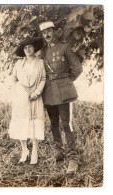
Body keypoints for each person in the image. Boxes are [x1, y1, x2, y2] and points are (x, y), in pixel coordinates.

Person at [39, 21, 83, 174]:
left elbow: (78, 68)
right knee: (53, 123)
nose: (47, 35)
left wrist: (67, 81)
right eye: (44, 33)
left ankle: (72, 158)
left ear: (55, 32)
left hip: (64, 92)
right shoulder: (43, 52)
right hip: (49, 92)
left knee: (67, 125)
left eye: (49, 31)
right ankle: (59, 151)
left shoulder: (64, 47)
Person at [9, 36, 46, 164]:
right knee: (21, 123)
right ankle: (24, 150)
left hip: (35, 96)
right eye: (25, 47)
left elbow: (43, 79)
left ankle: (35, 151)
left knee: (34, 122)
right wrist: (17, 92)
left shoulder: (40, 62)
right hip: (21, 98)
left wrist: (36, 92)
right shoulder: (19, 64)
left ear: (34, 47)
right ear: (23, 50)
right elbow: (14, 79)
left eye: (30, 46)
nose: (28, 49)